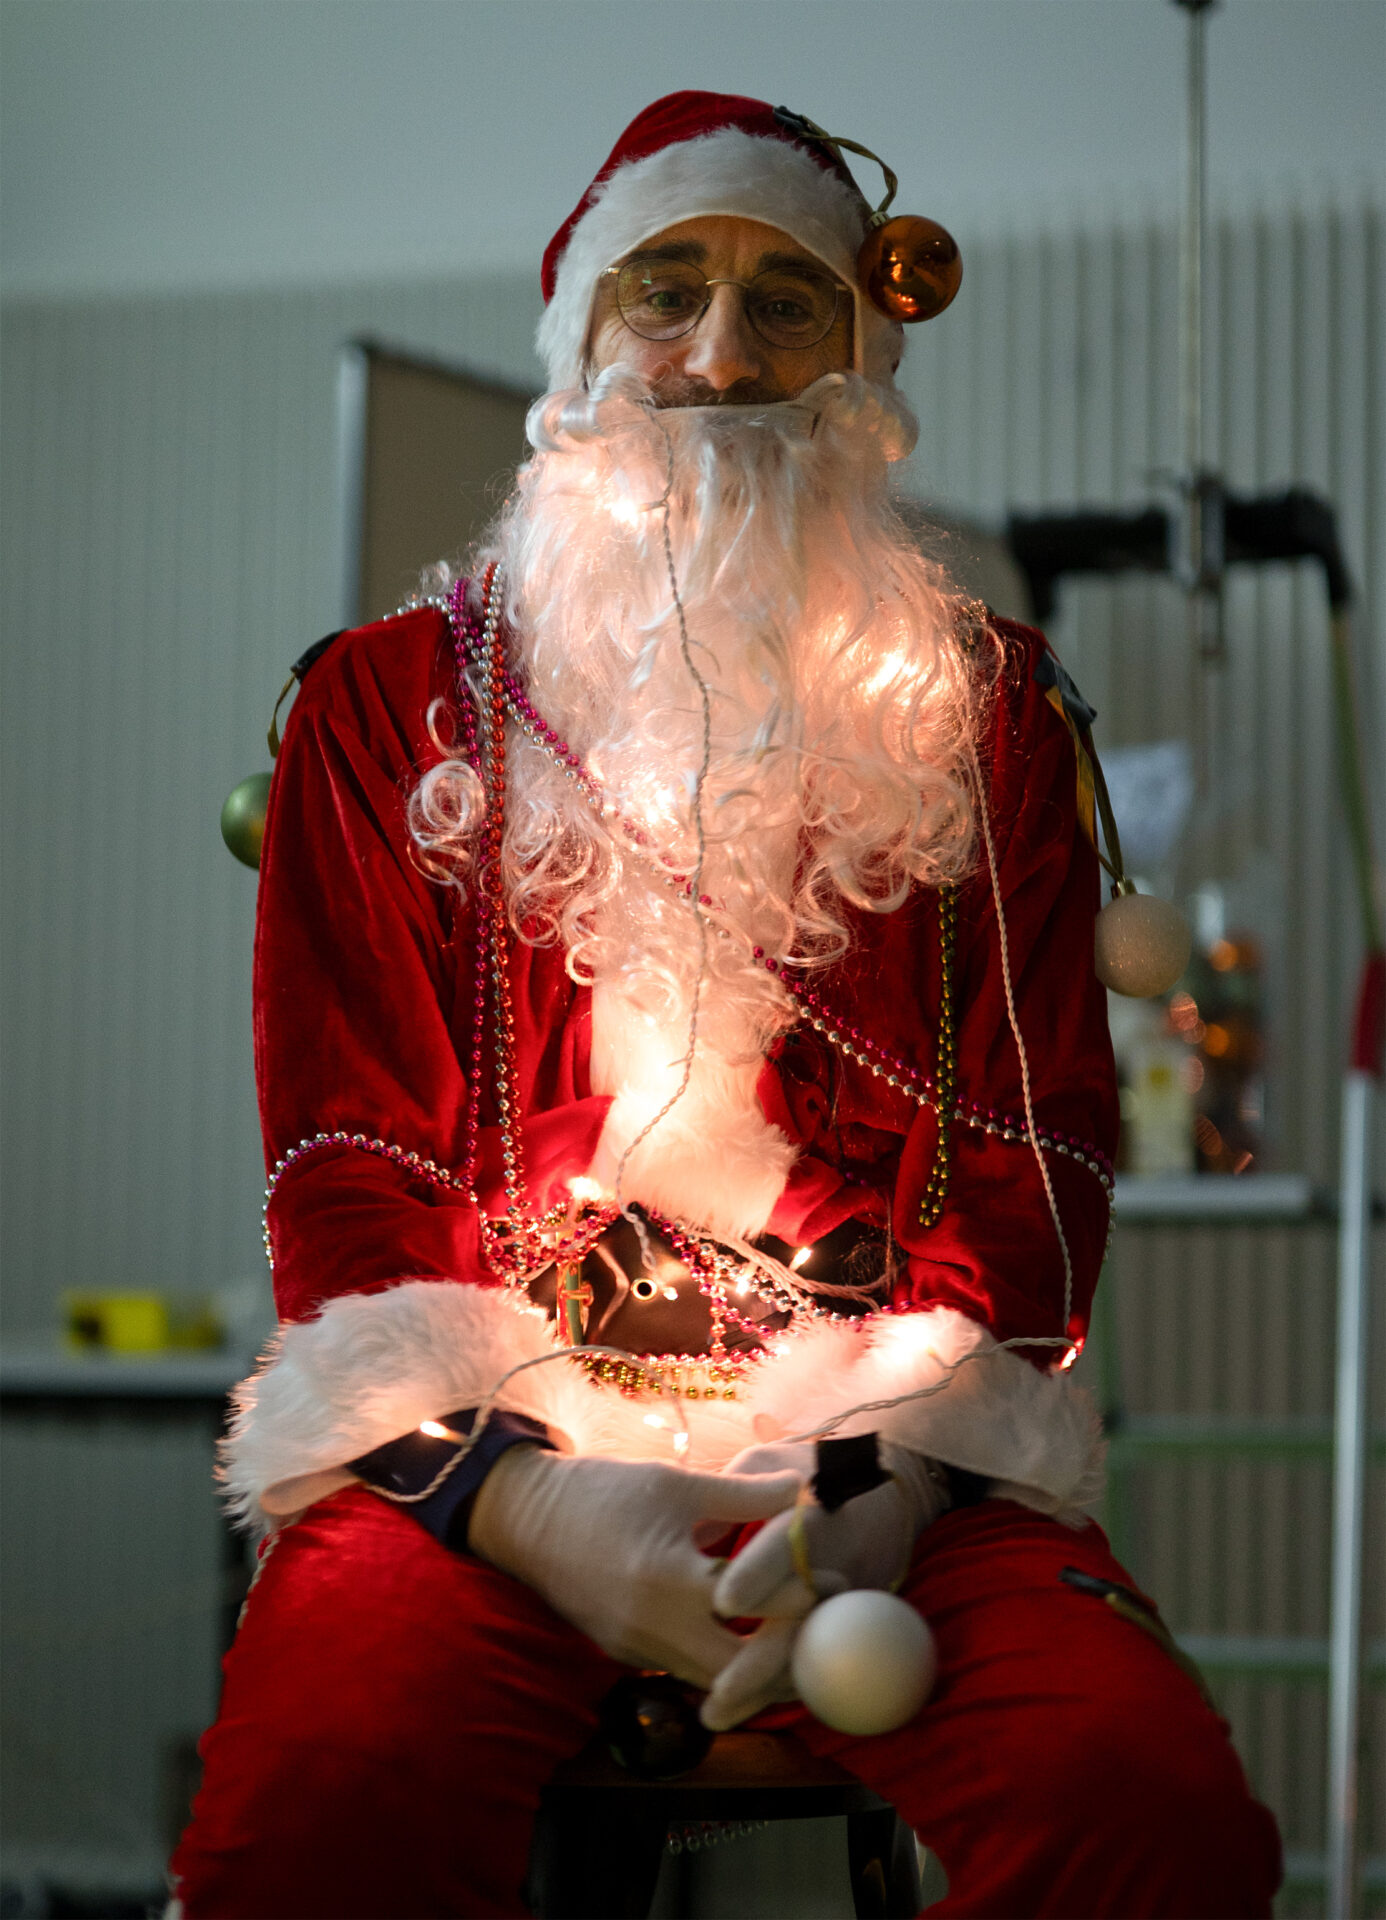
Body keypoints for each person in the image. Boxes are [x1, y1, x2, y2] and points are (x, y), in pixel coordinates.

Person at [171, 92, 1281, 1918]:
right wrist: (533, 1511)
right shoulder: (382, 709)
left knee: (1148, 1822)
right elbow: (348, 1180)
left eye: (786, 303)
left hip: (874, 1453)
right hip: (476, 1457)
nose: (716, 354)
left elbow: (1029, 1166)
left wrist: (879, 1486)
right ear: (578, 345)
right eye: (662, 290)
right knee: (315, 1823)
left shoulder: (990, 711)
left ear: (862, 357)